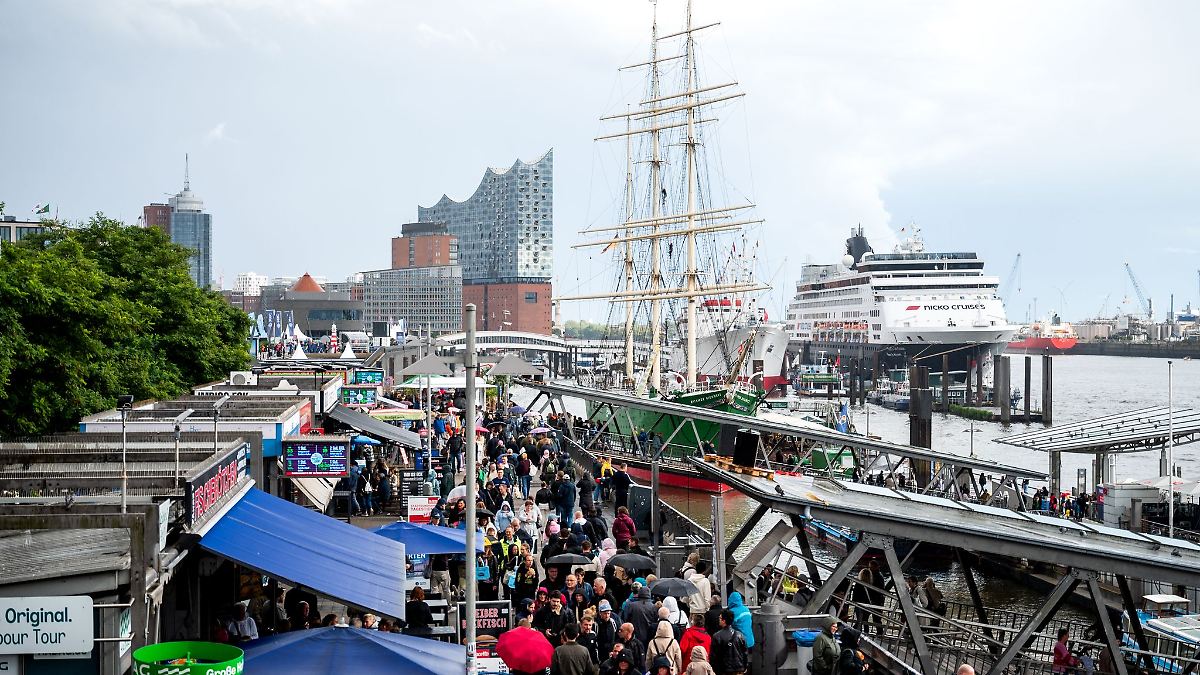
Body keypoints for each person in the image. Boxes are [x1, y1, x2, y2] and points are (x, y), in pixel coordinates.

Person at [708, 610, 748, 675]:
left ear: (724, 621)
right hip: (738, 669)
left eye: (720, 618)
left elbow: (713, 657)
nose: (719, 619)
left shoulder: (717, 636)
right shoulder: (740, 635)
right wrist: (745, 666)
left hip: (724, 670)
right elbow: (745, 653)